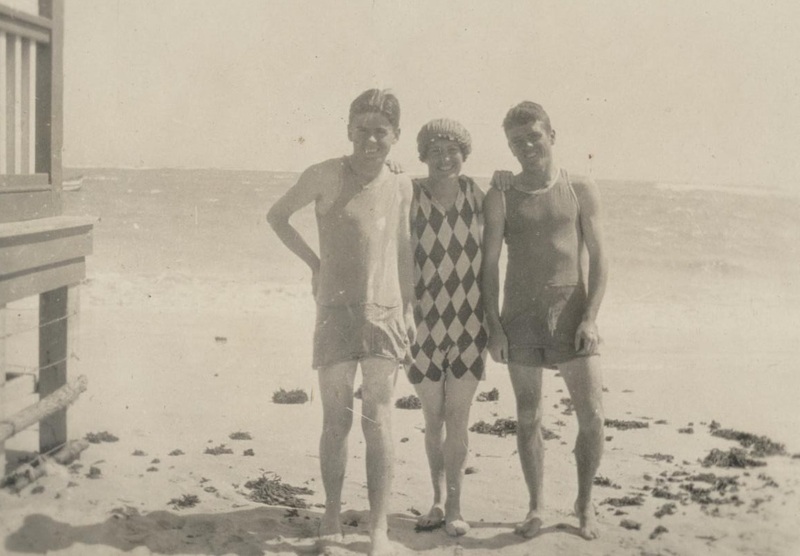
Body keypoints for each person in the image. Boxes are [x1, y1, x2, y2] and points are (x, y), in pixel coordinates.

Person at [267, 88, 414, 556]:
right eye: (362, 130)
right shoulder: (324, 174)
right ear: (348, 129)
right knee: (337, 419)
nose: (370, 140)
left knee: (380, 421)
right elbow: (277, 216)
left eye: (380, 132)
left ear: (395, 135)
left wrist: (410, 310)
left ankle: (378, 529)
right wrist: (315, 265)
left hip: (385, 315)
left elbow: (404, 250)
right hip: (335, 312)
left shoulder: (402, 184)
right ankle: (331, 516)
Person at [482, 101, 609, 540]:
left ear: (551, 135)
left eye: (534, 136)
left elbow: (601, 259)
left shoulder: (580, 187)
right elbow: (488, 267)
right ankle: (536, 505)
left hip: (570, 312)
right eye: (516, 141)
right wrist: (494, 327)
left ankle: (584, 503)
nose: (526, 146)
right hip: (519, 316)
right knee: (528, 415)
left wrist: (590, 318)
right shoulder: (500, 194)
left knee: (592, 417)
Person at [406, 119, 488, 537]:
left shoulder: (478, 195)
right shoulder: (409, 194)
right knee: (432, 416)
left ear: (464, 154)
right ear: (423, 155)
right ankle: (437, 500)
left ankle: (455, 506)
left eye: (453, 149)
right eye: (435, 150)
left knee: (458, 418)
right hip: (422, 325)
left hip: (469, 323)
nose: (444, 158)